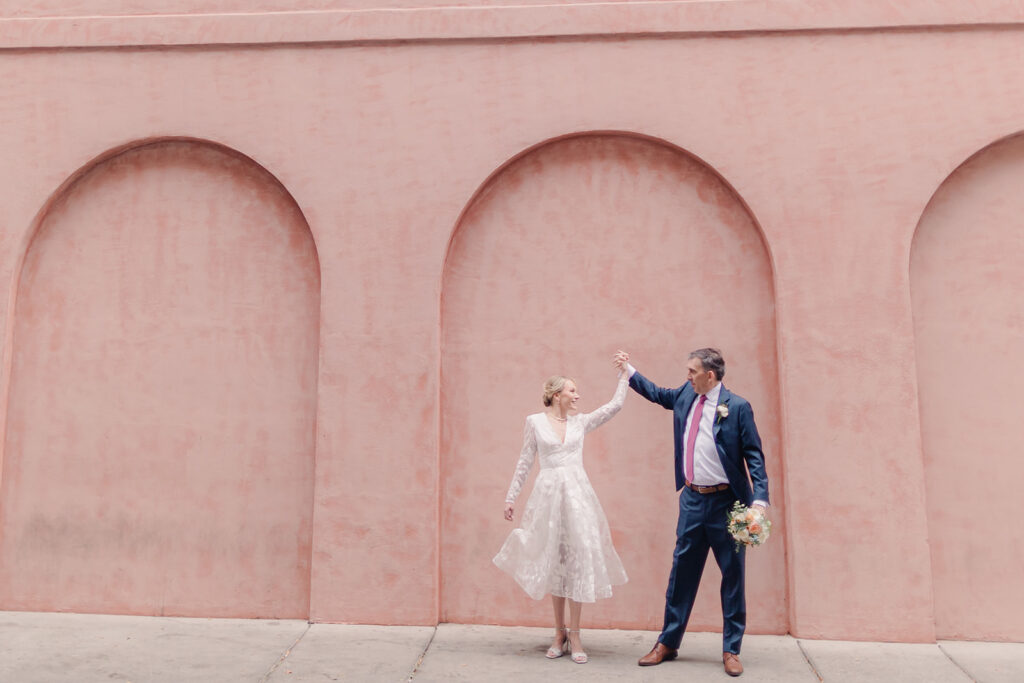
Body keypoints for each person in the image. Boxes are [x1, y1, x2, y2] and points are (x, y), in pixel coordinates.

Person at [614, 348, 768, 678]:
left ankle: (731, 649)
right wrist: (629, 371)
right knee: (681, 572)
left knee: (733, 576)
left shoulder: (737, 407)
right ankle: (668, 643)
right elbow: (659, 394)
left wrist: (759, 501)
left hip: (728, 504)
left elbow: (754, 456)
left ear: (709, 376)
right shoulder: (686, 394)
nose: (687, 376)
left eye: (692, 371)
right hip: (692, 501)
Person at [493, 365, 629, 664]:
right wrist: (511, 497)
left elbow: (614, 406)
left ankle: (575, 634)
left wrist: (625, 376)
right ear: (557, 395)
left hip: (578, 498)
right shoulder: (535, 422)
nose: (577, 395)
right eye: (572, 390)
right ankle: (559, 633)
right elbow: (525, 460)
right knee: (555, 561)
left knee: (577, 560)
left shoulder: (581, 422)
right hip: (548, 499)